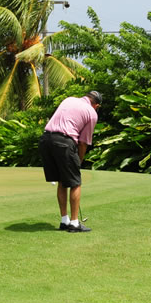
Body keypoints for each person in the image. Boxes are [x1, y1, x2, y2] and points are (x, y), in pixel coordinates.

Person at [39, 91, 101, 232]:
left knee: (62, 180)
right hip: (64, 142)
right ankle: (74, 223)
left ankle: (64, 221)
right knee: (75, 183)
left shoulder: (69, 99)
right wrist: (79, 160)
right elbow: (83, 142)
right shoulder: (92, 113)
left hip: (46, 140)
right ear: (96, 105)